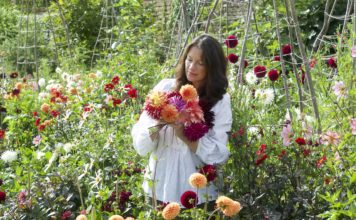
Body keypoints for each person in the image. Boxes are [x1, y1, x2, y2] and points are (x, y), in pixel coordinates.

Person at [131, 34, 232, 209]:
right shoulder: (165, 88)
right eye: (189, 59)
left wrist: (185, 135)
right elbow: (141, 144)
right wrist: (159, 122)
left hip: (197, 194)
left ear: (212, 67)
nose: (191, 67)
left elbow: (218, 156)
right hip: (159, 187)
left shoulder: (220, 101)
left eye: (200, 63)